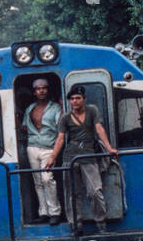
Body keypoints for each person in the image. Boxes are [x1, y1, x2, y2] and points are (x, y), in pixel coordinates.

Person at [46, 84, 118, 228]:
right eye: (72, 99)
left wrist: (109, 148)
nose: (75, 101)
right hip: (70, 158)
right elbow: (60, 138)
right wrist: (52, 157)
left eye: (78, 98)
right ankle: (75, 224)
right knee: (72, 193)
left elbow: (99, 129)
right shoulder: (66, 118)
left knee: (95, 191)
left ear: (84, 99)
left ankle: (101, 222)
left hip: (89, 156)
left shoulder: (92, 111)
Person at [22, 78, 62, 222]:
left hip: (49, 147)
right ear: (34, 92)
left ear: (48, 90)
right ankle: (43, 212)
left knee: (47, 179)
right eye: (38, 89)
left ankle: (55, 212)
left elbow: (61, 127)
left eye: (44, 88)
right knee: (38, 181)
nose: (41, 91)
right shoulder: (30, 108)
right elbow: (25, 127)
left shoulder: (56, 107)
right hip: (32, 146)